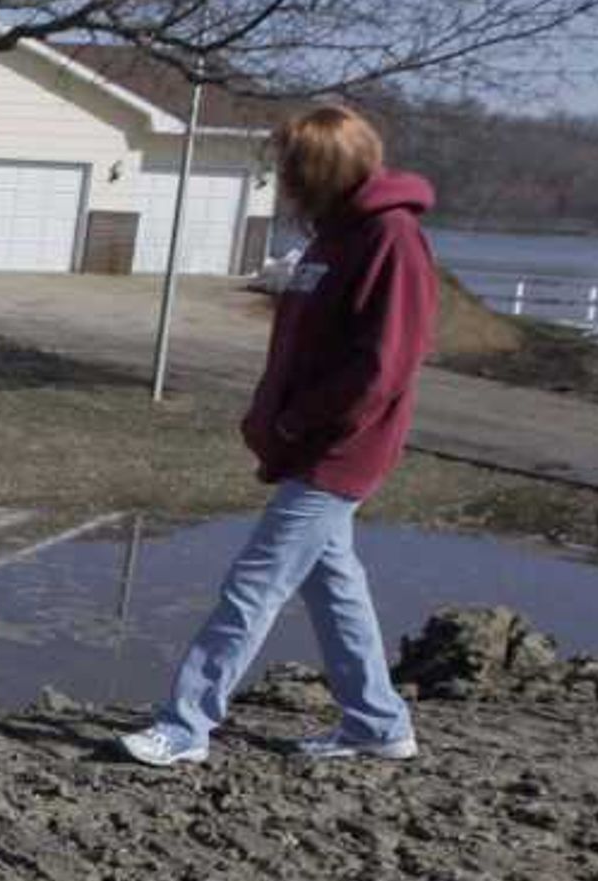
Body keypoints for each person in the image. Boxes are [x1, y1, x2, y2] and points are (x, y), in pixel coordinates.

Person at [121, 105, 438, 768]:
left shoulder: (392, 238)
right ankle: (378, 721)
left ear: (321, 170)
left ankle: (185, 725)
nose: (282, 183)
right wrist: (272, 416)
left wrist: (301, 420)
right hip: (305, 441)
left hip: (341, 448)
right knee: (334, 583)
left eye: (290, 170)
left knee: (253, 584)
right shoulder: (334, 236)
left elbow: (383, 364)